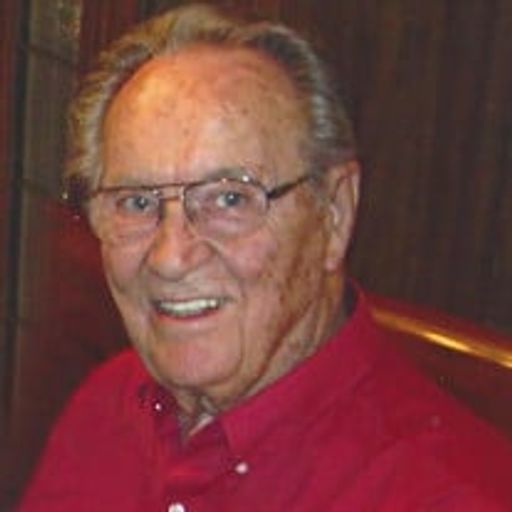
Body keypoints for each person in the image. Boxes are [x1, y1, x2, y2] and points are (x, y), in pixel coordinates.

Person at [18, 4, 512, 511]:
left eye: (230, 198)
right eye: (137, 203)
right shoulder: (109, 403)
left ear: (334, 213)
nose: (170, 257)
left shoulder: (443, 497)